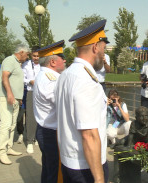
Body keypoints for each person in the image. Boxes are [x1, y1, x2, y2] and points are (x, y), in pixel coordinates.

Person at [55, 20, 109, 183]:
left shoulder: (66, 74)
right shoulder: (86, 80)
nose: (104, 55)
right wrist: (99, 180)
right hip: (86, 166)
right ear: (95, 47)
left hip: (69, 160)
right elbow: (89, 135)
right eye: (103, 50)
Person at [33, 40, 66, 183]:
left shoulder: (46, 76)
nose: (65, 60)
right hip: (50, 133)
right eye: (62, 57)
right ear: (52, 62)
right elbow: (64, 103)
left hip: (46, 131)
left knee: (48, 169)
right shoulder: (50, 80)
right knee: (54, 173)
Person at [0, 44, 30, 165]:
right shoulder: (9, 60)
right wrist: (10, 93)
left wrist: (19, 98)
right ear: (21, 52)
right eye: (27, 54)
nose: (27, 57)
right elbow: (5, 77)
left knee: (12, 124)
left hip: (15, 99)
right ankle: (1, 152)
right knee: (5, 124)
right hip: (6, 97)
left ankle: (8, 147)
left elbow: (15, 81)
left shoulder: (17, 63)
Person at [22, 46, 41, 154]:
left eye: (38, 56)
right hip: (31, 91)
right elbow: (22, 78)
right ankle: (29, 141)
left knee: (41, 115)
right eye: (34, 56)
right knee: (30, 116)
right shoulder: (26, 65)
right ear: (31, 55)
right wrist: (30, 81)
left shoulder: (44, 64)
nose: (36, 58)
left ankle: (37, 137)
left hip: (42, 93)